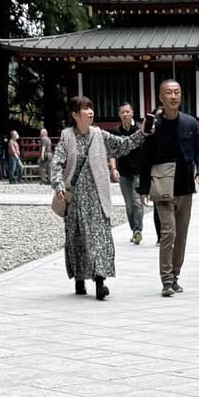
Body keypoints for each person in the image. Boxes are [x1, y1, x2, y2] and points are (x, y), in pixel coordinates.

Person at [50, 94, 144, 300]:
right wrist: (58, 185)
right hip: (74, 199)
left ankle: (100, 281)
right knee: (77, 239)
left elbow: (124, 144)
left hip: (97, 197)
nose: (90, 111)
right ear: (74, 114)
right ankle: (79, 278)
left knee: (100, 238)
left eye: (91, 107)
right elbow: (56, 163)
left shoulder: (99, 135)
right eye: (85, 108)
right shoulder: (67, 137)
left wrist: (142, 133)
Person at [138, 78, 199, 297]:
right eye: (168, 93)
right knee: (168, 232)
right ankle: (166, 280)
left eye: (176, 92)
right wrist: (143, 188)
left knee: (181, 235)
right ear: (161, 97)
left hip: (185, 186)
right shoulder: (153, 125)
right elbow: (145, 156)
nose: (173, 96)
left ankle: (175, 276)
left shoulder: (189, 123)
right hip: (162, 187)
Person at [112, 101, 146, 242]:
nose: (125, 114)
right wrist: (113, 168)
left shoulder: (139, 129)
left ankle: (138, 230)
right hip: (124, 173)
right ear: (119, 115)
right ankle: (134, 231)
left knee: (137, 202)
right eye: (122, 112)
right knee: (129, 205)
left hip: (139, 171)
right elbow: (112, 152)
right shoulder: (116, 132)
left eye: (128, 111)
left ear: (132, 113)